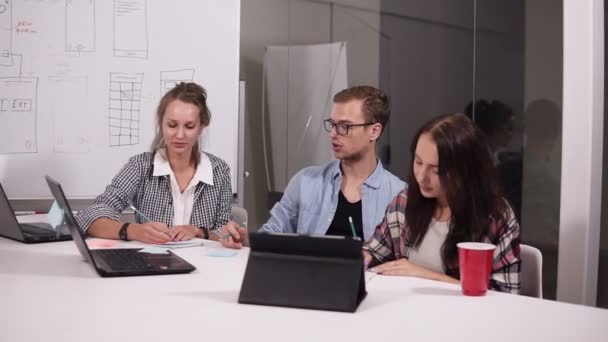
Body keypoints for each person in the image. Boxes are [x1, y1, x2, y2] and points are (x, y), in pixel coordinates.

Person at [220, 85, 405, 248]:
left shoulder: (398, 194)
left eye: (345, 126)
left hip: (366, 286)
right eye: (332, 124)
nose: (333, 134)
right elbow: (273, 233)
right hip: (306, 282)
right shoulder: (306, 181)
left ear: (374, 131)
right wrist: (244, 238)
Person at [364, 113, 521, 294]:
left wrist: (424, 275)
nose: (422, 177)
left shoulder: (495, 216)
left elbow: (505, 294)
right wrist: (359, 258)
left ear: (465, 171)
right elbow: (375, 252)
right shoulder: (405, 201)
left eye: (436, 170)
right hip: (408, 311)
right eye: (418, 162)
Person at [76, 82, 232, 244]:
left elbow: (227, 234)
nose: (180, 135)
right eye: (172, 125)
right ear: (161, 124)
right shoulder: (140, 166)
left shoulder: (219, 170)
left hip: (206, 266)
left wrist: (198, 231)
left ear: (200, 128)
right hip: (152, 263)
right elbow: (88, 217)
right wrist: (133, 230)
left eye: (189, 126)